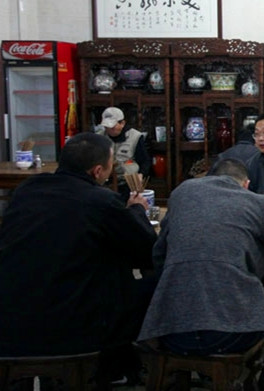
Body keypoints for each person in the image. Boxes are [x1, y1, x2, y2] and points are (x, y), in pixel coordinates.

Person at [138, 158, 264, 390]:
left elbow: (159, 255)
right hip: (234, 332)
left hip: (169, 330)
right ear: (246, 184)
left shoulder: (182, 194)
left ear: (210, 177)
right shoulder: (257, 202)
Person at [0, 132, 156, 383]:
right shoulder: (100, 200)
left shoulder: (27, 191)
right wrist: (137, 210)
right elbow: (146, 251)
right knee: (140, 283)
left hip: (9, 322)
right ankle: (114, 369)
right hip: (68, 328)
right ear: (97, 171)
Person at [95, 106, 152, 200]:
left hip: (127, 184)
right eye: (106, 127)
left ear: (122, 123)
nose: (109, 130)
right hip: (104, 184)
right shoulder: (98, 137)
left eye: (112, 127)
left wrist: (141, 175)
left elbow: (145, 161)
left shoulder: (135, 137)